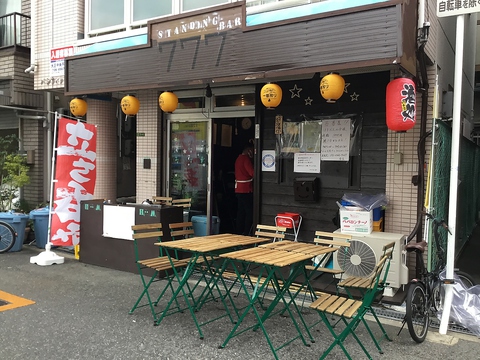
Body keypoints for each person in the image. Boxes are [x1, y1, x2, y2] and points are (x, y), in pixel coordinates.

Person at [234, 143, 254, 235]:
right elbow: (252, 173)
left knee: (240, 212)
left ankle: (239, 231)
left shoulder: (238, 159)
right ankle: (246, 232)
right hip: (246, 189)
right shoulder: (246, 159)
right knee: (249, 212)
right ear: (248, 150)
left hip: (238, 189)